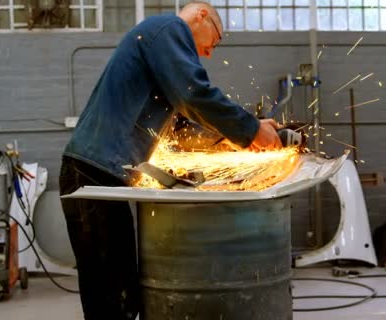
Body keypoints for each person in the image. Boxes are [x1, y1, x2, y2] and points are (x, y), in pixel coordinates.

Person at [58, 2, 282, 319]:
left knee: (121, 289)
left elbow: (181, 127)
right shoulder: (168, 29)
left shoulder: (158, 57)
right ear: (201, 16)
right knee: (108, 294)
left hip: (99, 175)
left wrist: (237, 139)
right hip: (91, 176)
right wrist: (250, 130)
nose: (207, 54)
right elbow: (194, 94)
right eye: (213, 42)